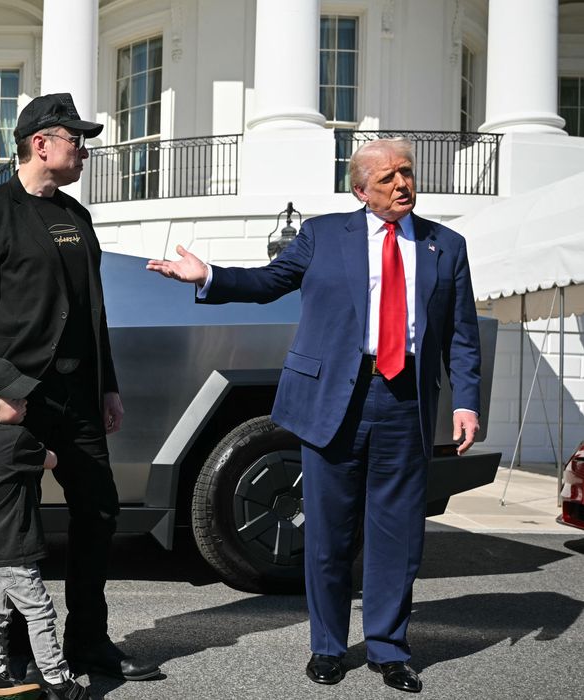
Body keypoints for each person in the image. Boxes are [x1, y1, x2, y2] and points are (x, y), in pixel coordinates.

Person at [146, 138, 482, 694]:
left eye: (406, 173)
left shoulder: (447, 245)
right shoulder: (324, 235)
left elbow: (462, 334)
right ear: (360, 191)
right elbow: (268, 282)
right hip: (335, 401)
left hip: (406, 403)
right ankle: (327, 646)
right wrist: (209, 276)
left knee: (397, 536)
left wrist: (466, 401)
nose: (402, 185)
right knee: (328, 535)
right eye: (386, 179)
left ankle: (389, 648)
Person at [0, 92, 159, 682]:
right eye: (76, 139)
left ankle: (87, 638)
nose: (84, 150)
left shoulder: (76, 216)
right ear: (42, 143)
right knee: (18, 523)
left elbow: (94, 311)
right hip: (14, 400)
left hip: (79, 394)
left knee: (99, 510)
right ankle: (15, 655)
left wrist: (107, 384)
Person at [0, 358, 89, 700]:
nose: (25, 403)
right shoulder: (17, 439)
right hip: (12, 544)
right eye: (16, 400)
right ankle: (57, 680)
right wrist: (47, 450)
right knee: (40, 611)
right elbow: (52, 460)